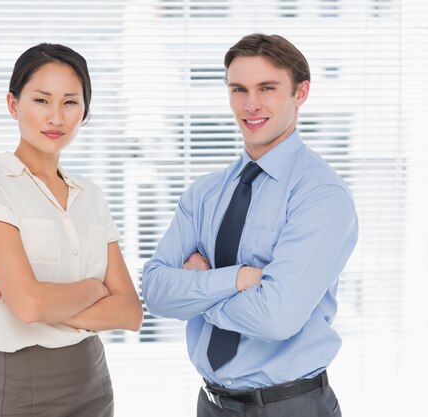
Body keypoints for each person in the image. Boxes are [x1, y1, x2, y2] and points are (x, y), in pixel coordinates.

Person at [142, 33, 358, 417]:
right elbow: (157, 293)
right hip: (210, 403)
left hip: (290, 406)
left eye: (267, 88)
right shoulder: (203, 194)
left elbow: (276, 317)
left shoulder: (321, 195)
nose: (251, 104)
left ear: (300, 92)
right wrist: (239, 278)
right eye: (238, 89)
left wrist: (197, 293)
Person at [0, 43, 143, 417]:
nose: (56, 117)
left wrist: (43, 302)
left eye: (70, 102)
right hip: (29, 385)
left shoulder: (90, 194)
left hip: (94, 378)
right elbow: (28, 307)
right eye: (41, 100)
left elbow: (130, 313)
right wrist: (94, 289)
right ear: (13, 104)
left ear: (84, 111)